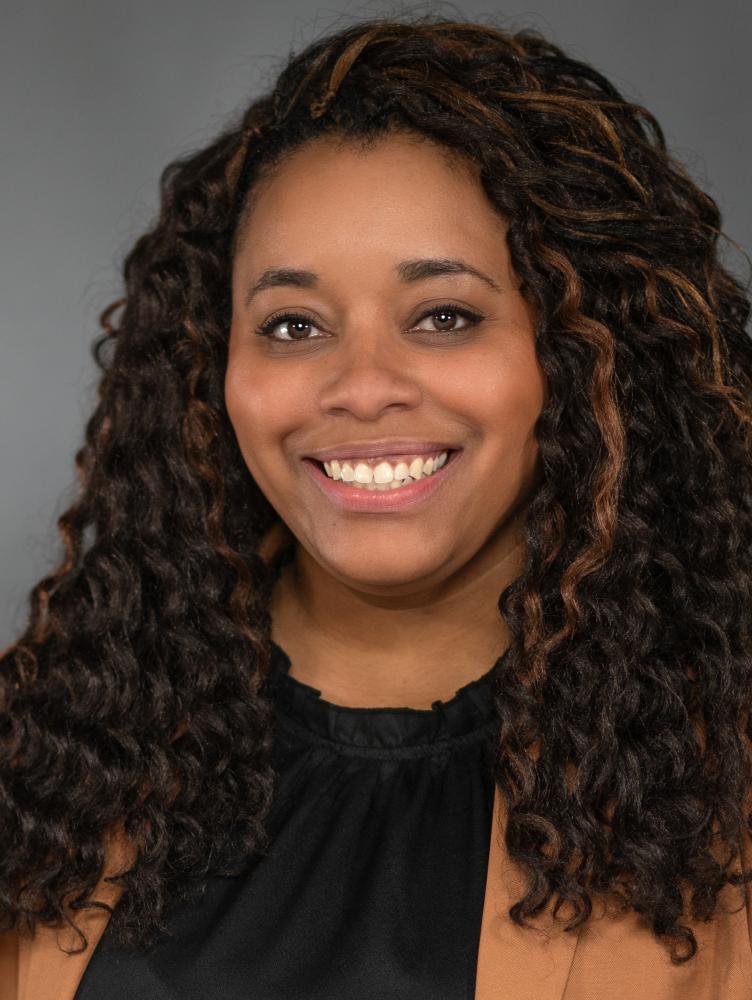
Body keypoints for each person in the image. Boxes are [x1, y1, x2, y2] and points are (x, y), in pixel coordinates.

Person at [1, 13, 751, 1000]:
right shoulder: (55, 752)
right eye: (292, 324)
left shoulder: (716, 787)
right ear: (208, 370)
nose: (360, 387)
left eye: (444, 316)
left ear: (583, 353)